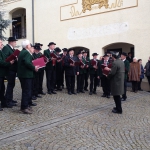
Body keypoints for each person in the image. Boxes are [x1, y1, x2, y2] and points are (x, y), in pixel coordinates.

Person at [17, 40, 39, 114]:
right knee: (26, 91)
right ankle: (24, 107)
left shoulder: (23, 52)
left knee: (26, 90)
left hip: (24, 74)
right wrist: (34, 68)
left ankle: (26, 105)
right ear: (27, 46)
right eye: (30, 45)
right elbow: (27, 63)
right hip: (26, 75)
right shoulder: (26, 52)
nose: (31, 46)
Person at [2, 37, 18, 107]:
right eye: (15, 42)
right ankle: (7, 100)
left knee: (12, 85)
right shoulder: (6, 48)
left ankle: (10, 99)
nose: (15, 43)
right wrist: (11, 60)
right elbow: (5, 58)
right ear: (11, 42)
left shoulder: (11, 48)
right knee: (10, 85)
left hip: (13, 69)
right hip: (9, 69)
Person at [0, 39, 15, 111]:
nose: (2, 44)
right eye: (0, 43)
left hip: (3, 72)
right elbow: (2, 61)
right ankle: (5, 102)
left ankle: (4, 102)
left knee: (2, 88)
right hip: (4, 71)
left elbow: (4, 59)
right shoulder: (5, 49)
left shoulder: (1, 50)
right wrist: (9, 63)